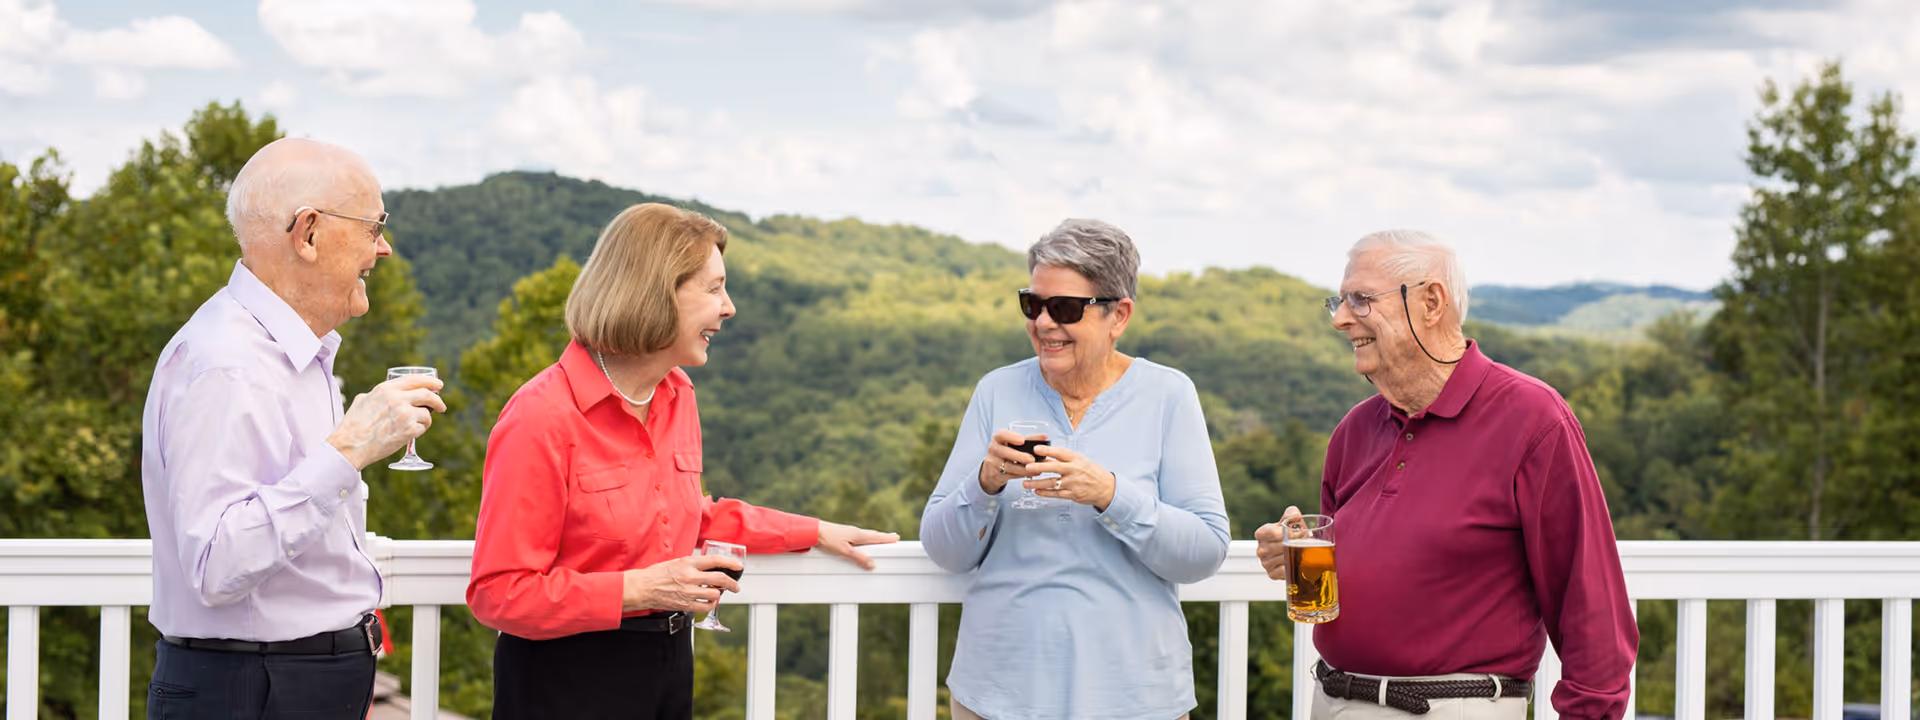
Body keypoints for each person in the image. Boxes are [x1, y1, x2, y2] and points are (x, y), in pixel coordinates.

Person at [465, 202, 899, 720]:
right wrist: (643, 587)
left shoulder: (676, 394)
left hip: (668, 663)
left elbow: (686, 516)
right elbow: (500, 594)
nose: (730, 306)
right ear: (655, 290)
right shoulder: (541, 416)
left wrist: (815, 531)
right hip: (566, 676)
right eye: (714, 287)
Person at [1254, 230, 1638, 720]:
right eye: (1339, 300)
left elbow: (1591, 610)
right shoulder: (1353, 431)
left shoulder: (1533, 419)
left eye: (1361, 300)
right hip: (1331, 701)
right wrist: (1298, 559)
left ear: (1431, 302)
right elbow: (1385, 570)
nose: (1340, 319)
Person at [140, 138, 446, 719]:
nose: (383, 249)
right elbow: (216, 564)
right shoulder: (228, 364)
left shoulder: (290, 355)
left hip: (281, 680)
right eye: (373, 226)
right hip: (255, 687)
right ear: (307, 233)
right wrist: (350, 449)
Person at [922, 219, 1231, 720]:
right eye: (1033, 304)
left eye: (1064, 308)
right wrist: (985, 484)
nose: (1044, 323)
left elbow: (1203, 552)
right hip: (998, 696)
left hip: (1135, 699)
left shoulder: (1168, 395)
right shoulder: (996, 391)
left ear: (1119, 315)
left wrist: (1110, 493)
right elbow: (944, 549)